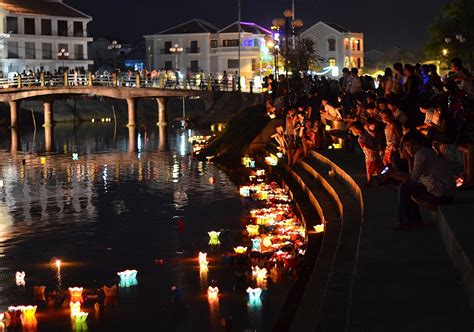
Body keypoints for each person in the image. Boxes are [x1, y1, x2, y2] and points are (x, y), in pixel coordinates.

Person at [387, 131, 454, 230]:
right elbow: (414, 176)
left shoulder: (421, 153)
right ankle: (414, 221)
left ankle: (406, 221)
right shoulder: (425, 152)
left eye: (413, 144)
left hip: (443, 195)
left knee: (405, 187)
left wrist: (392, 175)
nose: (410, 148)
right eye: (407, 146)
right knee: (409, 187)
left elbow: (413, 179)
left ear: (421, 143)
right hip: (445, 193)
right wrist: (408, 160)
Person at [348, 121, 383, 186]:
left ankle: (369, 182)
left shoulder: (361, 138)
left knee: (369, 170)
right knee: (379, 168)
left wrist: (373, 151)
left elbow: (366, 147)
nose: (352, 132)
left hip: (370, 156)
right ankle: (381, 178)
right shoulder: (368, 134)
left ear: (357, 130)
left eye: (353, 130)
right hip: (376, 154)